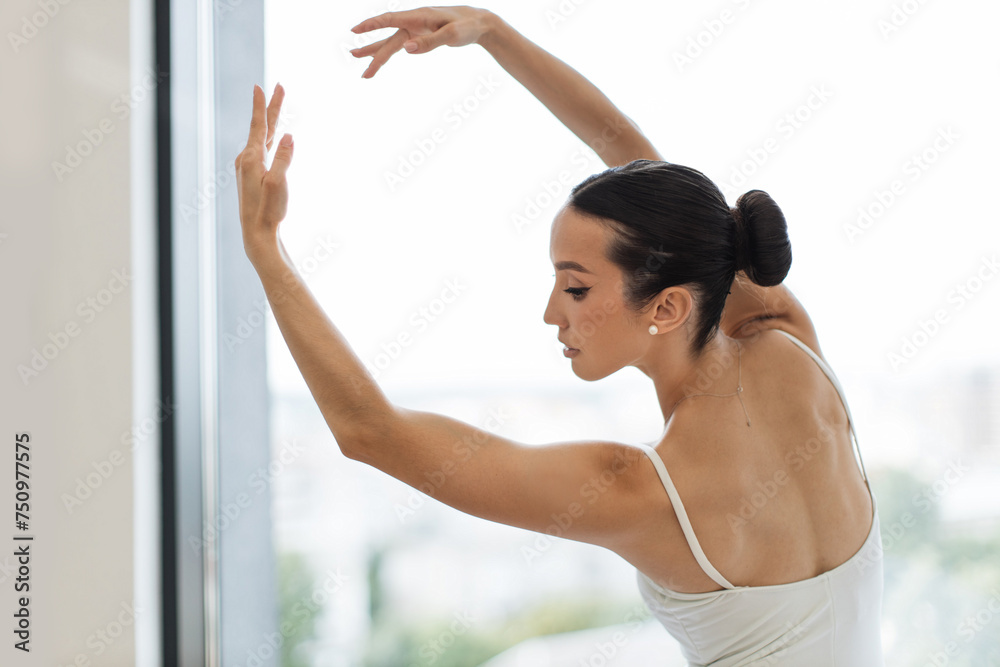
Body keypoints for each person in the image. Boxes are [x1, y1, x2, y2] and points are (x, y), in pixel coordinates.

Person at [234, 6, 884, 665]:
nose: (552, 313)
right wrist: (493, 35)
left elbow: (370, 431)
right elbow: (654, 184)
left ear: (665, 307)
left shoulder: (646, 492)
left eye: (576, 287)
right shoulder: (785, 337)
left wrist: (266, 250)